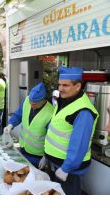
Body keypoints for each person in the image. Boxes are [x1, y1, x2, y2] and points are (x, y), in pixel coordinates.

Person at [39, 67, 99, 195]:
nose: (60, 88)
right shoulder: (63, 101)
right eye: (59, 84)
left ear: (78, 86)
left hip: (68, 171)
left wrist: (66, 168)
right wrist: (46, 154)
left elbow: (79, 145)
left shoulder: (83, 111)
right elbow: (55, 129)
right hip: (55, 164)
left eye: (65, 85)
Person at [3, 82, 54, 167]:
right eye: (31, 102)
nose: (31, 105)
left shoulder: (51, 112)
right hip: (23, 149)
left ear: (44, 100)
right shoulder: (27, 101)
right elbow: (18, 115)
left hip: (38, 156)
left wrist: (46, 156)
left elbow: (51, 138)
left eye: (35, 104)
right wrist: (10, 125)